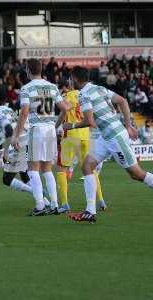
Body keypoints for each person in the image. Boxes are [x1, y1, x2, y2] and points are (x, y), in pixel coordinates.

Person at [64, 66, 153, 223]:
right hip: (107, 136)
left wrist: (70, 126)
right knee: (86, 166)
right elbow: (122, 101)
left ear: (76, 79)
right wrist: (128, 125)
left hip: (115, 137)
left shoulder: (84, 95)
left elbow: (89, 121)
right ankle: (90, 212)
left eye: (71, 79)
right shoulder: (98, 88)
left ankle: (90, 211)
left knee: (136, 174)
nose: (70, 81)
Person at [12, 58, 70, 216]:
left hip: (37, 130)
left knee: (32, 169)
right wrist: (56, 125)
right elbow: (65, 109)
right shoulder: (52, 86)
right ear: (41, 70)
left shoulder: (26, 88)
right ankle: (55, 204)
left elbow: (24, 112)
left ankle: (39, 206)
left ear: (28, 70)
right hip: (50, 129)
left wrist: (16, 136)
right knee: (47, 169)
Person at [55, 80, 105, 213]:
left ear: (68, 86)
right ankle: (100, 201)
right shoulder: (85, 94)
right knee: (91, 169)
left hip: (71, 135)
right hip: (86, 135)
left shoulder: (68, 96)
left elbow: (65, 110)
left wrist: (56, 126)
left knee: (61, 168)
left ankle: (65, 204)